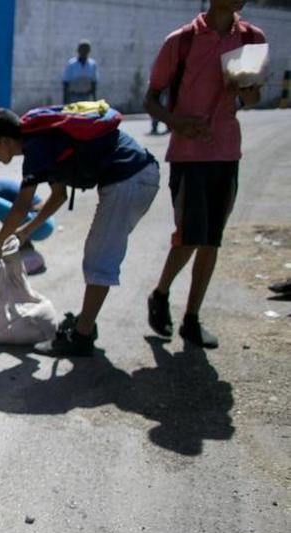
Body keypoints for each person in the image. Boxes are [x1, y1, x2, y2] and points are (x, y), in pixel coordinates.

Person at [0, 107, 159, 357]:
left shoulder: (36, 147)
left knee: (99, 260)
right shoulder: (43, 141)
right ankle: (85, 323)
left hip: (128, 178)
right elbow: (58, 195)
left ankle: (81, 336)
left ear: (6, 141)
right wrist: (25, 231)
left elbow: (21, 206)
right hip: (134, 176)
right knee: (97, 256)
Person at [144, 0, 267, 349]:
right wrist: (175, 122)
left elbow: (253, 98)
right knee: (188, 236)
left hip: (226, 151)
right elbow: (150, 99)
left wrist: (244, 91)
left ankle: (192, 319)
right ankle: (161, 293)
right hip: (188, 154)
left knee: (211, 239)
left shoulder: (251, 38)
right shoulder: (180, 41)